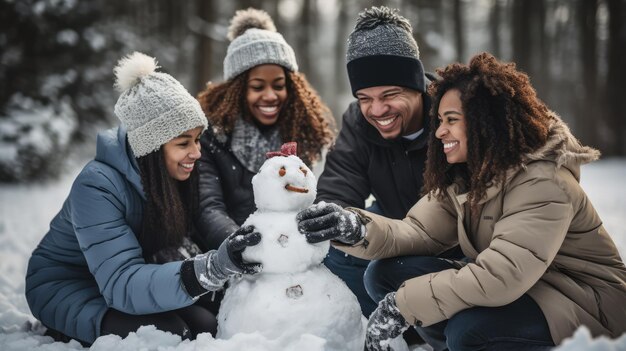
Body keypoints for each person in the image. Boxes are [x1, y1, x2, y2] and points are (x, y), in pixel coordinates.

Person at [297, 52, 626, 351]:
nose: (439, 132)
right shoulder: (469, 173)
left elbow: (501, 276)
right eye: (439, 121)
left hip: (582, 301)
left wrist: (404, 306)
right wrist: (356, 228)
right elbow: (416, 231)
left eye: (451, 120)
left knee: (470, 332)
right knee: (384, 273)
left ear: (487, 123)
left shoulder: (543, 180)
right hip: (527, 288)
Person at [25, 52, 263, 346]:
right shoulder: (96, 187)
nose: (197, 153)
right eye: (183, 143)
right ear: (150, 147)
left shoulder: (172, 174)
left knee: (207, 324)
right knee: (172, 335)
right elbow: (122, 283)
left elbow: (198, 226)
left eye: (198, 139)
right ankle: (64, 328)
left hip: (126, 278)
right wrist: (210, 269)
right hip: (71, 286)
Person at [314, 6, 441, 318]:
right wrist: (333, 218)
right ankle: (384, 321)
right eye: (365, 98)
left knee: (394, 271)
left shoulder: (451, 117)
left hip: (454, 240)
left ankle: (427, 318)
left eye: (390, 95)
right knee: (335, 249)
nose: (377, 111)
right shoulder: (358, 122)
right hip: (393, 223)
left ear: (417, 87)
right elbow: (338, 190)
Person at [195, 8, 334, 253]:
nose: (270, 96)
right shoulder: (210, 137)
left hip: (289, 252)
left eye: (279, 86)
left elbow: (305, 202)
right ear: (237, 90)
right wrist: (244, 246)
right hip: (231, 254)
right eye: (257, 87)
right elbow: (209, 208)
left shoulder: (300, 132)